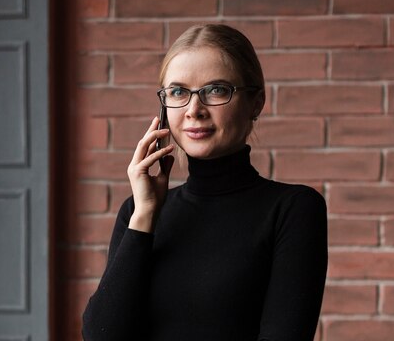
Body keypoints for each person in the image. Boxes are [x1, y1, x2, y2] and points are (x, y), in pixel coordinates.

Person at [82, 24, 328, 341]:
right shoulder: (138, 212)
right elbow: (101, 336)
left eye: (216, 90)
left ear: (256, 102)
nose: (194, 110)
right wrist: (144, 216)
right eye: (178, 92)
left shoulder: (292, 210)